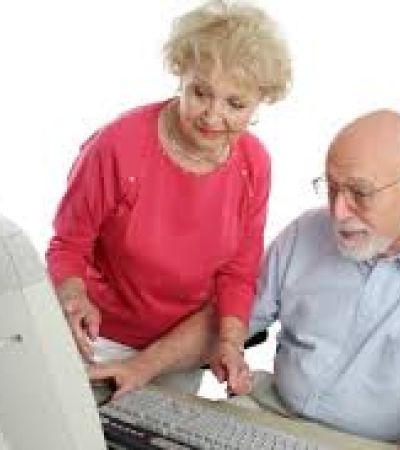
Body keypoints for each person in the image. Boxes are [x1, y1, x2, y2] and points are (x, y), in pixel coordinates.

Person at [46, 0, 291, 398]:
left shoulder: (254, 164)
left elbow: (238, 273)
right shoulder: (117, 147)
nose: (213, 116)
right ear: (180, 75)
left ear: (260, 102)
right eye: (200, 93)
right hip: (97, 341)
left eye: (235, 103)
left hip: (177, 351)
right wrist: (73, 298)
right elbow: (69, 244)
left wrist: (229, 345)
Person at [232, 110, 400, 448]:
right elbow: (232, 319)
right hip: (270, 409)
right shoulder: (306, 230)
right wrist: (147, 364)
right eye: (331, 188)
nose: (338, 212)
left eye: (360, 193)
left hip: (368, 443)